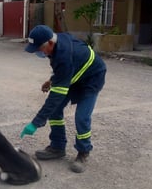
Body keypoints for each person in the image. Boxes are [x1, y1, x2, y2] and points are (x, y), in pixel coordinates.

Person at [21, 25, 106, 173]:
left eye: (39, 49)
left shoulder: (64, 55)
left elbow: (56, 95)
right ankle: (58, 146)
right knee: (55, 111)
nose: (39, 52)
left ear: (51, 43)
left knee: (82, 117)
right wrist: (53, 80)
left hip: (92, 79)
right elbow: (66, 70)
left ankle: (83, 152)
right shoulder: (57, 44)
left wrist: (36, 122)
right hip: (75, 75)